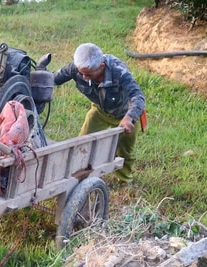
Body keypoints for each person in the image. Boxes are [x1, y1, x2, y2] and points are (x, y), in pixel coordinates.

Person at [54, 43, 146, 184]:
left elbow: (138, 96)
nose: (84, 77)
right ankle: (79, 174)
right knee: (83, 143)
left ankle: (124, 179)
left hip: (124, 115)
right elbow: (53, 78)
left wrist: (129, 118)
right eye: (81, 73)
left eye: (89, 74)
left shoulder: (118, 71)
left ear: (101, 67)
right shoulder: (76, 69)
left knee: (125, 151)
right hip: (99, 111)